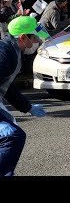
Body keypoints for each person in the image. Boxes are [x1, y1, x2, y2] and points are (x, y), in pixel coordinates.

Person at [0, 16, 47, 176]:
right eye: (35, 37)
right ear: (23, 37)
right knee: (13, 136)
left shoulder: (13, 50)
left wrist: (28, 107)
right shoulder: (4, 53)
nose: (37, 41)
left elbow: (7, 86)